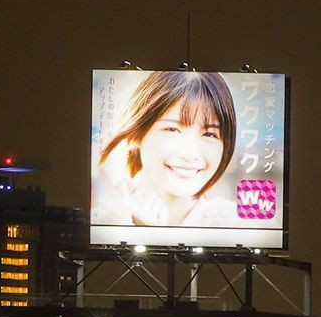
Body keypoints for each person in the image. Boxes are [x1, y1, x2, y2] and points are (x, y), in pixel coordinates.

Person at [94, 70, 237, 236]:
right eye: (172, 129)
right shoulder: (100, 223)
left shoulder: (243, 226)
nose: (189, 154)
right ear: (138, 134)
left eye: (209, 134)